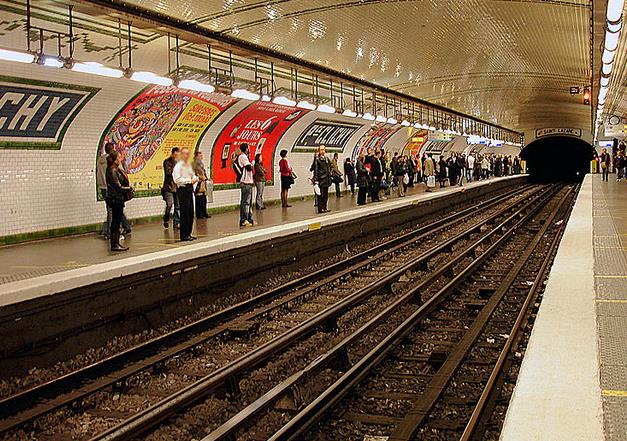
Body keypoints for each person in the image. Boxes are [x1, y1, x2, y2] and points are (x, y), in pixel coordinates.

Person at [105, 150, 131, 252]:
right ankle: (114, 244)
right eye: (119, 158)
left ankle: (116, 243)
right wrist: (129, 189)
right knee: (116, 222)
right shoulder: (112, 170)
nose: (121, 159)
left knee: (117, 221)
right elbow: (117, 186)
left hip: (116, 198)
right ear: (115, 159)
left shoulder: (114, 169)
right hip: (115, 198)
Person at [173, 147, 198, 241]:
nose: (186, 156)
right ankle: (184, 235)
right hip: (183, 189)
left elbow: (193, 175)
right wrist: (189, 181)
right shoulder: (178, 166)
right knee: (184, 212)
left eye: (188, 154)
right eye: (184, 154)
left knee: (190, 212)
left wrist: (195, 179)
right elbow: (177, 179)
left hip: (189, 189)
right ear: (181, 154)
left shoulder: (188, 165)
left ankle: (189, 233)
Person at [97, 142, 114, 239]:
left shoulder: (100, 160)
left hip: (102, 187)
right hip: (110, 187)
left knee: (111, 209)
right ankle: (109, 232)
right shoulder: (111, 160)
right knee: (111, 210)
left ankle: (126, 226)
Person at [162, 147, 181, 229]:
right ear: (174, 153)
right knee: (169, 204)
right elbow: (169, 173)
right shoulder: (167, 162)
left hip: (177, 187)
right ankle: (166, 219)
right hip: (168, 187)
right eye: (177, 153)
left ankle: (176, 223)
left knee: (178, 206)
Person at [237, 143, 255, 226]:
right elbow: (248, 167)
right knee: (245, 202)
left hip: (249, 182)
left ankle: (249, 219)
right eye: (248, 148)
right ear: (246, 149)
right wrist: (252, 165)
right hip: (245, 182)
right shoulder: (242, 157)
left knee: (249, 202)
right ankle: (244, 219)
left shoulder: (246, 157)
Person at [313, 145, 332, 213]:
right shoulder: (317, 159)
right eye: (321, 150)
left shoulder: (327, 159)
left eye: (323, 149)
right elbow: (316, 170)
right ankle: (320, 209)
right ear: (319, 151)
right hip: (321, 179)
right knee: (320, 194)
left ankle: (325, 207)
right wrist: (316, 179)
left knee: (326, 194)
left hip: (327, 179)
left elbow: (330, 166)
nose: (322, 151)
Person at [192, 151, 210, 219]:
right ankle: (199, 214)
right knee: (199, 199)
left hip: (203, 183)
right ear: (196, 156)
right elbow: (197, 173)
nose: (201, 157)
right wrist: (202, 177)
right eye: (200, 156)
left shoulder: (201, 164)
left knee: (203, 199)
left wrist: (206, 178)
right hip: (198, 183)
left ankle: (204, 213)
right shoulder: (194, 164)